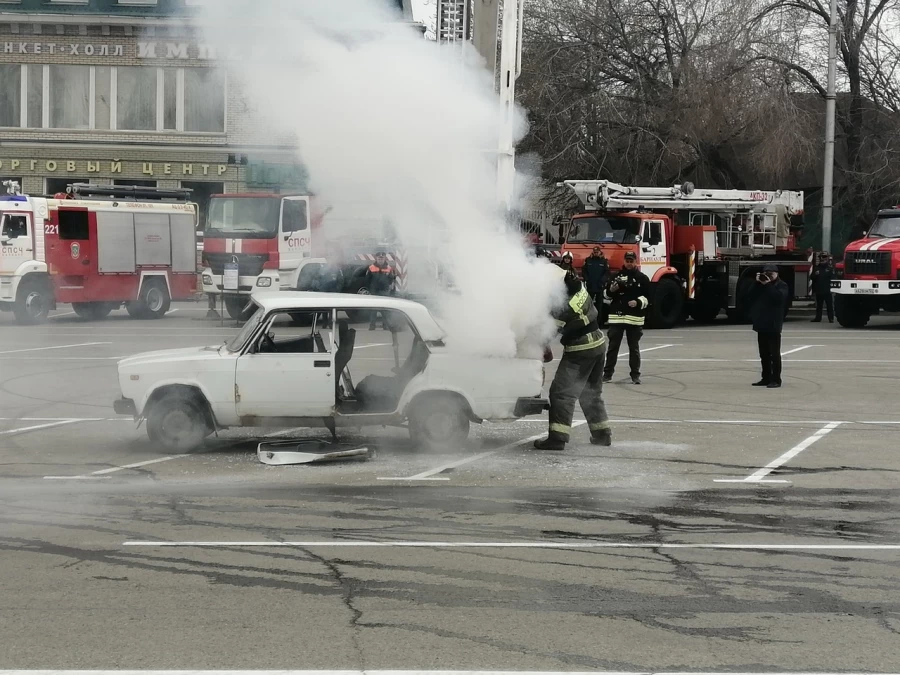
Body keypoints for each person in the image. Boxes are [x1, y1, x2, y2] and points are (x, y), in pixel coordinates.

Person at [534, 269, 611, 451]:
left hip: (581, 349)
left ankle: (557, 439)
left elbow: (548, 333)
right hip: (598, 343)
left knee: (561, 394)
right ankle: (602, 434)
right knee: (590, 391)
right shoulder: (578, 288)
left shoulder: (562, 306)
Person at [603, 251, 650, 384]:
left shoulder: (642, 278)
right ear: (624, 261)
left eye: (631, 261)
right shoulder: (615, 276)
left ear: (636, 261)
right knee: (612, 348)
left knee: (634, 348)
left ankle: (635, 375)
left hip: (634, 319)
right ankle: (607, 375)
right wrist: (611, 291)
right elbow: (606, 297)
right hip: (616, 318)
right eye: (627, 261)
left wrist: (638, 302)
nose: (629, 263)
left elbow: (649, 298)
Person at [748, 264, 790, 388]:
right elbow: (749, 296)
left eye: (771, 273)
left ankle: (776, 379)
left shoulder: (781, 285)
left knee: (774, 353)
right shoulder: (760, 285)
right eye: (766, 273)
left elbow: (778, 298)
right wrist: (757, 283)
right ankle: (765, 377)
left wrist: (768, 284)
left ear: (777, 274)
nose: (768, 276)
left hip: (774, 324)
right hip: (761, 323)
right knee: (763, 353)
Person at [365, 251, 397, 330]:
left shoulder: (388, 268)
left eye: (382, 258)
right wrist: (369, 290)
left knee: (385, 310)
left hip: (384, 292)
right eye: (379, 258)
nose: (380, 260)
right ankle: (372, 326)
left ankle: (385, 325)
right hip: (374, 292)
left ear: (384, 259)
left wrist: (389, 288)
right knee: (373, 310)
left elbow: (391, 279)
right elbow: (367, 280)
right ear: (376, 258)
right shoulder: (371, 267)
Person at [582, 246, 610, 324]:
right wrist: (587, 280)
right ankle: (589, 321)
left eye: (597, 252)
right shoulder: (588, 260)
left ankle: (598, 322)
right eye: (594, 252)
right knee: (589, 305)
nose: (595, 253)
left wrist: (602, 281)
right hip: (590, 286)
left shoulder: (604, 261)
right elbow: (584, 271)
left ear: (600, 252)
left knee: (599, 306)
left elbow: (607, 273)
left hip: (599, 287)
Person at [810, 254, 834, 323]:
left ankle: (831, 318)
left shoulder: (829, 268)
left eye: (824, 258)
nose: (822, 260)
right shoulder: (817, 268)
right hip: (819, 290)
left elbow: (833, 278)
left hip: (827, 290)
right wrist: (815, 274)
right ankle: (818, 318)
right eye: (821, 259)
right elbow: (812, 277)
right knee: (819, 306)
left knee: (829, 306)